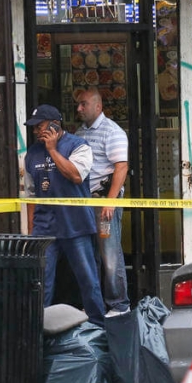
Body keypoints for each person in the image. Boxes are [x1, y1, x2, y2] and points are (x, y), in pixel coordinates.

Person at [24, 104, 106, 326]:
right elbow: (31, 195)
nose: (35, 132)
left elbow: (76, 175)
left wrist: (52, 150)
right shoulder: (31, 154)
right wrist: (32, 232)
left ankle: (98, 326)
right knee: (41, 281)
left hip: (75, 224)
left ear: (54, 125)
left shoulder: (79, 146)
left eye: (39, 127)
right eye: (33, 128)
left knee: (88, 279)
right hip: (44, 228)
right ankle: (39, 328)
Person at [75, 88, 131, 315]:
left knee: (109, 253)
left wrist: (110, 202)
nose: (79, 108)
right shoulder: (80, 133)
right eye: (78, 104)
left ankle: (119, 304)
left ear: (98, 107)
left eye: (83, 104)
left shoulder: (112, 132)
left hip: (103, 203)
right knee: (90, 254)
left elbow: (121, 167)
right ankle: (95, 305)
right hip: (85, 203)